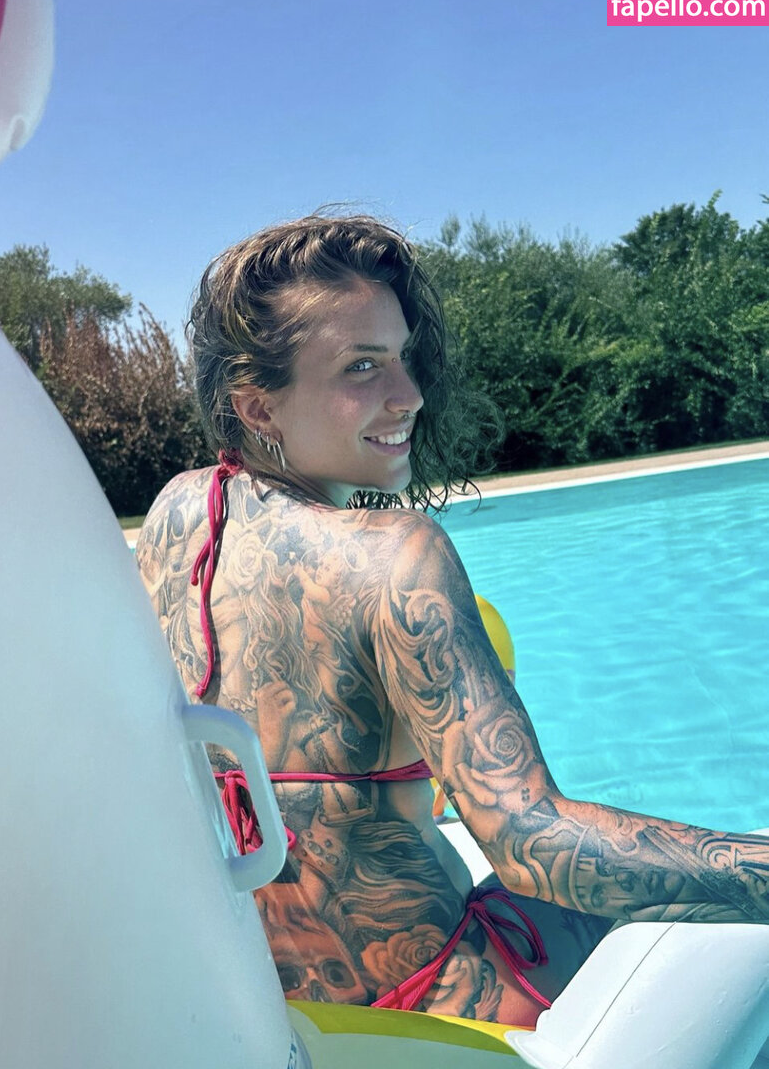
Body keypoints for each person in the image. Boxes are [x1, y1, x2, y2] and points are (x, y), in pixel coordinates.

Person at [136, 214, 769, 1025]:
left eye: (402, 357)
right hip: (444, 991)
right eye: (362, 366)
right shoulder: (395, 556)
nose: (409, 395)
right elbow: (531, 843)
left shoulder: (178, 515)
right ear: (258, 407)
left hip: (272, 1000)